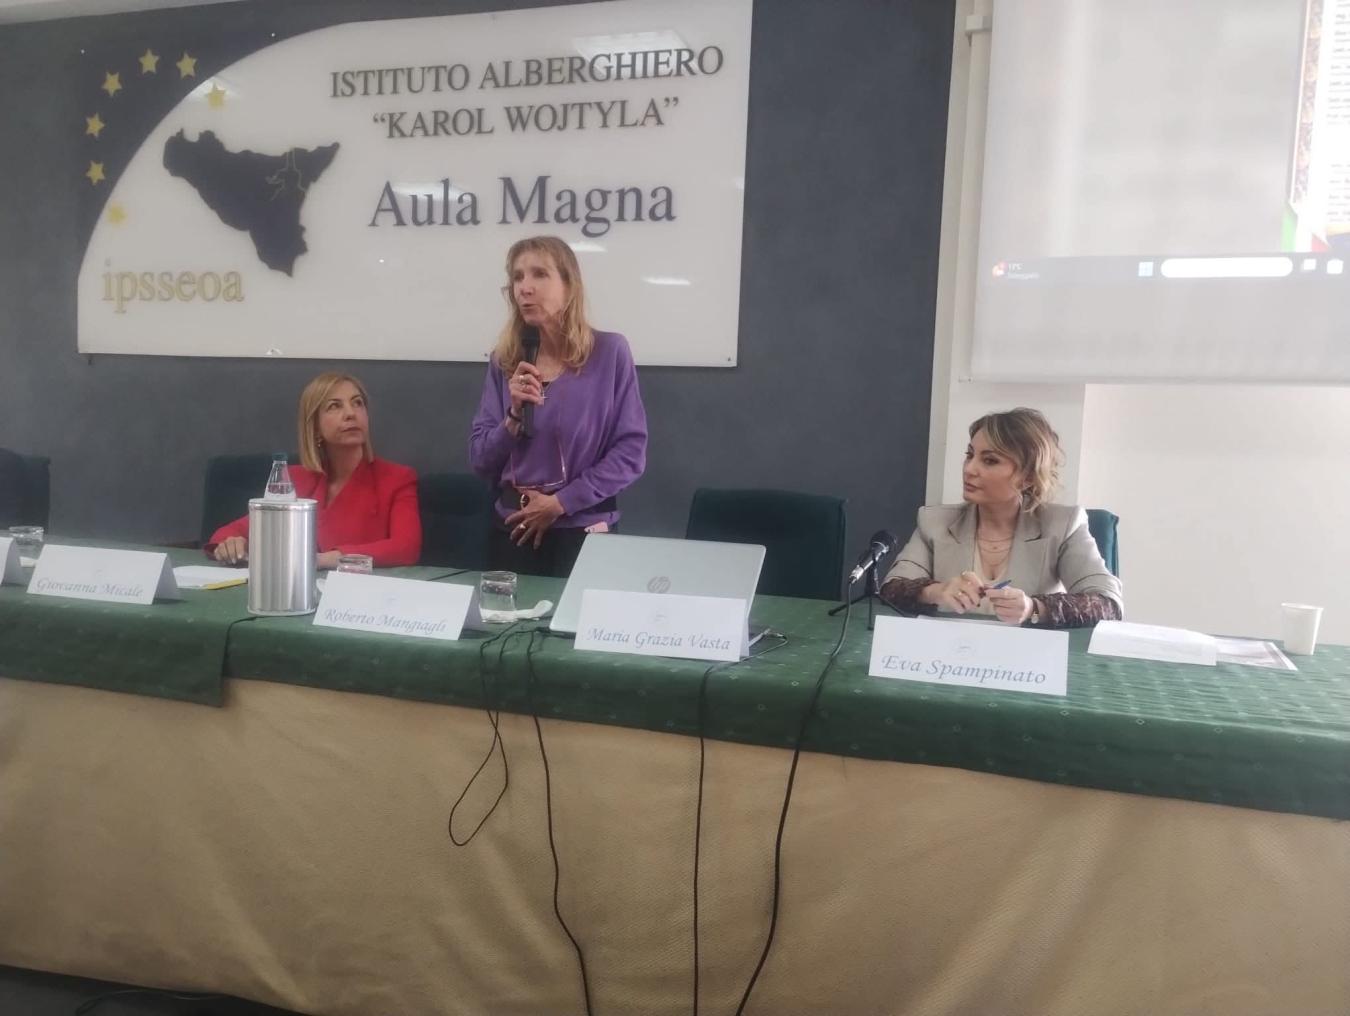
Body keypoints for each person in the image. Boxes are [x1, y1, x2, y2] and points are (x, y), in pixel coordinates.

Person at [469, 235, 647, 577]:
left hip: (583, 533)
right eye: (517, 277)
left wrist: (561, 503)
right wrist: (513, 418)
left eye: (539, 274)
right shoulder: (504, 360)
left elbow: (630, 453)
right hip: (514, 529)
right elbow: (480, 459)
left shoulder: (609, 353)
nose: (525, 288)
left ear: (569, 285)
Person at [880, 408, 1122, 627]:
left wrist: (1034, 608)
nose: (969, 469)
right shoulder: (934, 521)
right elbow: (891, 589)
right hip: (949, 653)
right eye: (970, 455)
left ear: (1028, 477)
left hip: (1028, 657)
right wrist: (936, 592)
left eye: (990, 461)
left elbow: (1108, 604)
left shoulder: (1063, 524)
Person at [205, 372, 421, 568]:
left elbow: (406, 547)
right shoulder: (295, 479)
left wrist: (326, 559)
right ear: (315, 427)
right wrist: (231, 543)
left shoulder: (397, 479)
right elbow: (231, 531)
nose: (350, 413)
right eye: (334, 406)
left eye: (358, 403)